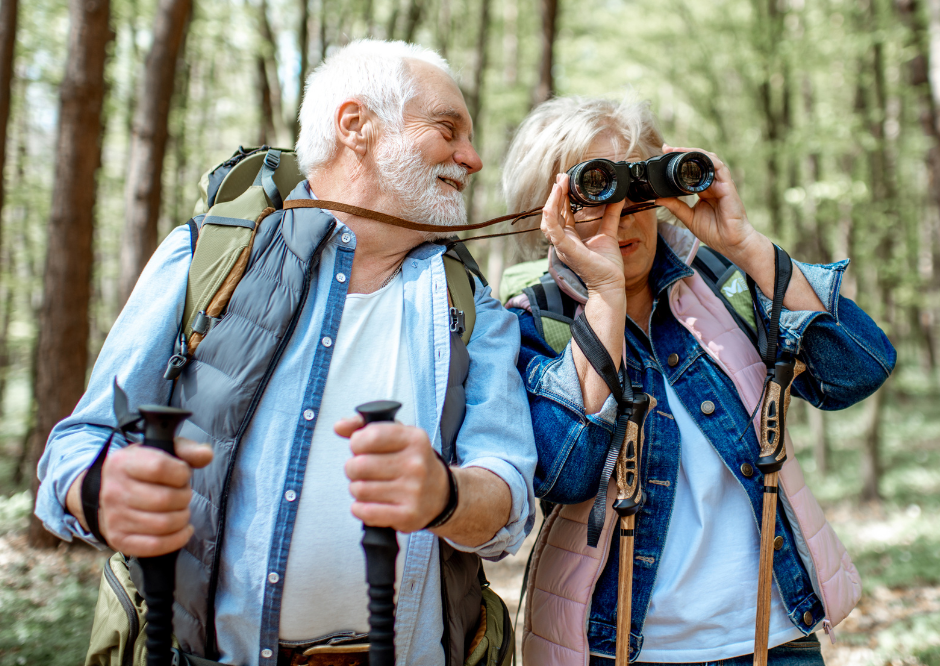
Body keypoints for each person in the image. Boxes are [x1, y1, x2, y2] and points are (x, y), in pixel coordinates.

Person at [35, 39, 536, 666]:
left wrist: (445, 494)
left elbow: (508, 500)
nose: (474, 158)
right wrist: (103, 490)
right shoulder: (208, 256)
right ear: (356, 125)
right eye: (447, 129)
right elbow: (77, 447)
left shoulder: (473, 305)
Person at [500, 96, 895, 665]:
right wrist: (605, 297)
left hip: (775, 638)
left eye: (635, 188)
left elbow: (856, 372)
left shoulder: (724, 284)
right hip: (622, 649)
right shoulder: (536, 322)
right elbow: (566, 473)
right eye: (595, 190)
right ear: (547, 214)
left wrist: (745, 245)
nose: (621, 215)